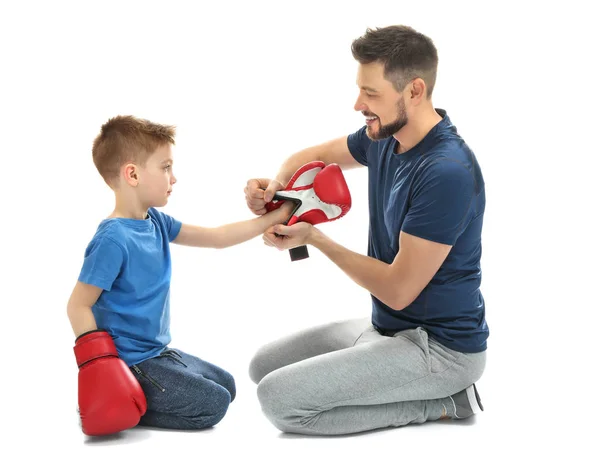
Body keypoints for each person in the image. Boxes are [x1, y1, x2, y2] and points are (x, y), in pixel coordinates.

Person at [244, 24, 489, 436]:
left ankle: (447, 401)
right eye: (361, 89)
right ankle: (379, 365)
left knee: (279, 402)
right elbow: (317, 155)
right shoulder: (385, 136)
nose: (359, 103)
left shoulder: (447, 171)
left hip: (440, 350)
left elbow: (397, 289)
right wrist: (279, 192)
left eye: (371, 93)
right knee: (261, 367)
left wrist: (315, 238)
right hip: (385, 328)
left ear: (414, 90)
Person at [66, 115, 293, 436]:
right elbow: (77, 306)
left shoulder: (155, 221)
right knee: (213, 406)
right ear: (132, 174)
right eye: (165, 167)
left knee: (227, 386)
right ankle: (123, 405)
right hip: (129, 364)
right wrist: (102, 373)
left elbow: (217, 237)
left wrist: (278, 215)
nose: (174, 178)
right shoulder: (113, 240)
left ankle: (141, 395)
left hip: (158, 354)